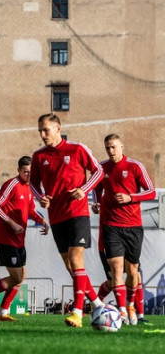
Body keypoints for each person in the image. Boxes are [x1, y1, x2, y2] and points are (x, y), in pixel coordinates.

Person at [30, 113, 104, 328]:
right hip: (56, 216)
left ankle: (78, 312)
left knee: (75, 259)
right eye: (40, 131)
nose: (43, 135)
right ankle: (98, 303)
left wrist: (84, 190)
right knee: (71, 268)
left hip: (78, 213)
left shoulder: (77, 149)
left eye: (46, 130)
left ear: (58, 129)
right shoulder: (38, 156)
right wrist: (40, 198)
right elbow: (33, 183)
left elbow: (98, 171)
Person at [92, 134, 155, 325]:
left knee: (133, 271)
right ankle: (121, 313)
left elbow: (151, 191)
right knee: (116, 268)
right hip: (111, 226)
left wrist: (130, 197)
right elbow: (95, 188)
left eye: (113, 147)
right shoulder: (102, 168)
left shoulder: (135, 166)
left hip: (133, 226)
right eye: (107, 148)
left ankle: (130, 305)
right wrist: (96, 203)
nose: (110, 151)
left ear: (121, 146)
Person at [0, 156, 49, 322]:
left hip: (20, 240)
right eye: (25, 171)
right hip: (6, 238)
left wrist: (41, 220)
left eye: (31, 172)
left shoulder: (30, 188)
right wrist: (11, 223)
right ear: (18, 170)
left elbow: (30, 211)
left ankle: (3, 311)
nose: (28, 175)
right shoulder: (12, 185)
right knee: (17, 277)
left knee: (21, 276)